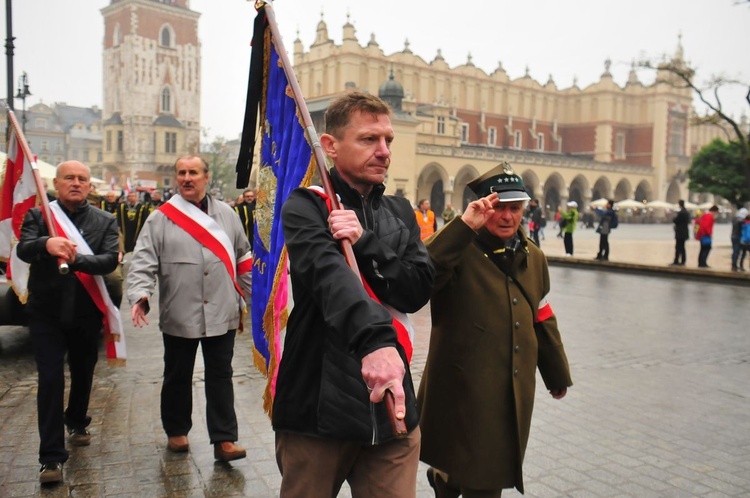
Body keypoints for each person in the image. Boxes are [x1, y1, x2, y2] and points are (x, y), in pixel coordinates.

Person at [273, 92, 435, 497]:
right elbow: (331, 280)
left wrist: (365, 243)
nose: (383, 152)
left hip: (393, 405)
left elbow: (416, 289)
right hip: (319, 404)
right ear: (330, 145)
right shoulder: (306, 206)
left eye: (389, 141)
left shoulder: (400, 212)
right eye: (368, 139)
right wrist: (376, 342)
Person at [418, 162, 572, 497]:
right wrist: (462, 227)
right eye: (498, 207)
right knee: (469, 461)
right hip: (460, 384)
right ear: (481, 207)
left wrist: (556, 373)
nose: (507, 217)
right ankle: (444, 479)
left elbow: (541, 315)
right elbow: (421, 275)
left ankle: (445, 478)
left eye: (515, 208)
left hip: (510, 387)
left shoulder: (534, 256)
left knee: (488, 468)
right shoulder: (457, 249)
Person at [127, 155, 252, 462]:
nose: (187, 178)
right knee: (177, 375)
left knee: (221, 375)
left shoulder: (227, 214)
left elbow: (243, 259)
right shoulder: (160, 217)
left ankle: (224, 439)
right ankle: (177, 430)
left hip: (222, 310)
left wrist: (253, 300)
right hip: (179, 312)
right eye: (181, 173)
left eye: (193, 172)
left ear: (206, 177)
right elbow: (144, 260)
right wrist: (141, 295)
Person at [17, 161, 120, 484]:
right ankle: (51, 457)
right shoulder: (38, 216)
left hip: (86, 312)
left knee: (83, 370)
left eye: (82, 179)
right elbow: (23, 249)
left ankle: (77, 419)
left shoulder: (105, 220)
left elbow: (108, 260)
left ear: (89, 186)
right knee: (49, 380)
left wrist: (78, 260)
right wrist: (46, 244)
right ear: (57, 184)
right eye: (69, 178)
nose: (75, 183)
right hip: (45, 312)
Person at [671, 200, 691, 266]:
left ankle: (676, 260)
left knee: (678, 247)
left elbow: (676, 220)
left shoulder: (681, 213)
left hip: (680, 232)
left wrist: (674, 219)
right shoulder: (687, 212)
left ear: (679, 204)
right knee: (682, 247)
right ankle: (683, 260)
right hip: (685, 232)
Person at [730, 207, 749, 272]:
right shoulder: (740, 220)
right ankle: (735, 265)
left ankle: (735, 265)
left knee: (737, 252)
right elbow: (741, 223)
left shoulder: (735, 218)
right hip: (738, 238)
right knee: (737, 252)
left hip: (734, 237)